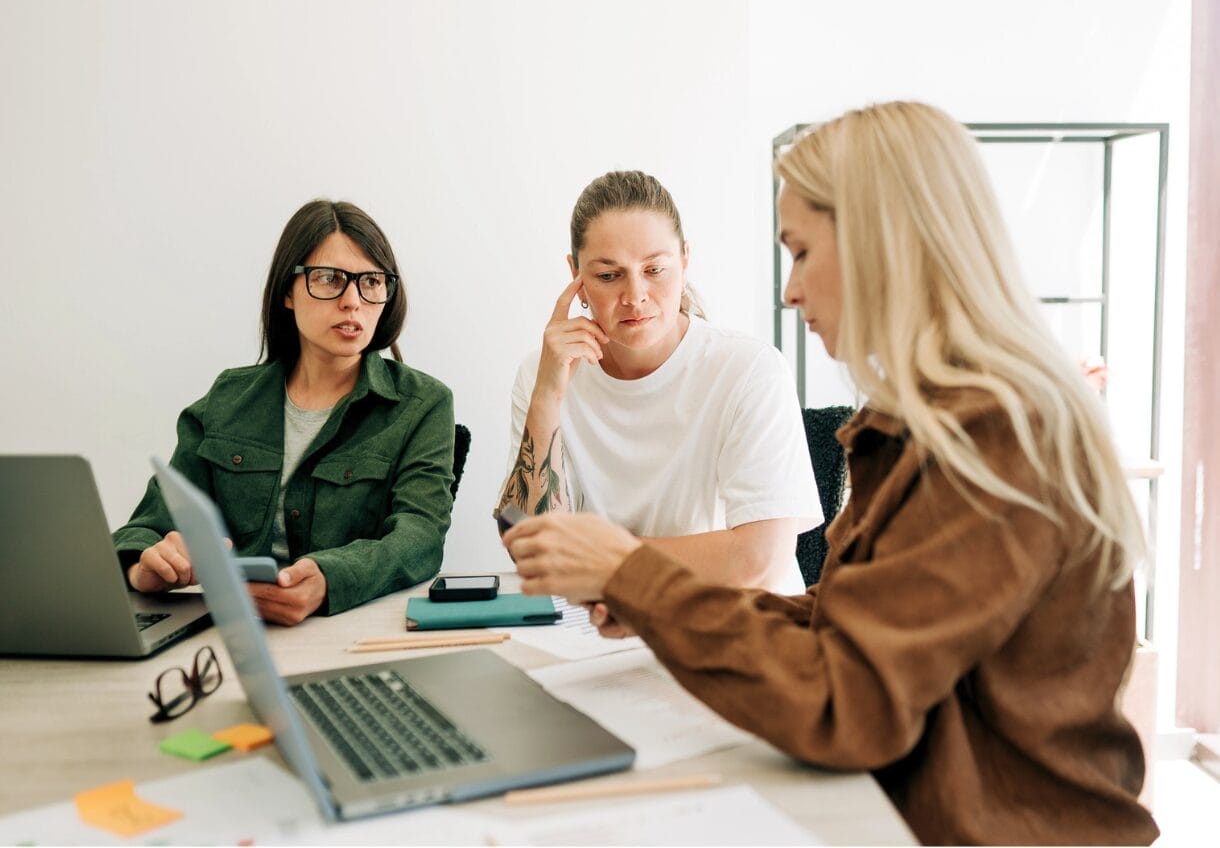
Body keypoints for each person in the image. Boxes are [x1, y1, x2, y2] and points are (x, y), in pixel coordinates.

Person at [502, 103, 1158, 845]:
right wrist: (654, 600)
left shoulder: (999, 437)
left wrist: (637, 575)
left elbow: (851, 703)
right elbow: (847, 622)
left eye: (802, 252)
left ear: (885, 246)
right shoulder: (927, 421)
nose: (789, 289)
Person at [114, 200, 456, 626]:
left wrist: (330, 579)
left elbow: (419, 537)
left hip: (348, 629)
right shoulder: (228, 399)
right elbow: (147, 526)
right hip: (231, 633)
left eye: (371, 282)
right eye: (329, 279)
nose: (353, 301)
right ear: (288, 293)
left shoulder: (423, 404)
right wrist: (144, 566)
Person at [497, 170, 820, 596]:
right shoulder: (544, 371)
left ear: (684, 262)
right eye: (609, 275)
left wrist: (597, 560)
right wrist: (547, 398)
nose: (635, 295)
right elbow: (530, 549)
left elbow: (758, 560)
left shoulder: (750, 369)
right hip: (601, 624)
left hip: (738, 624)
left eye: (655, 269)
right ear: (575, 274)